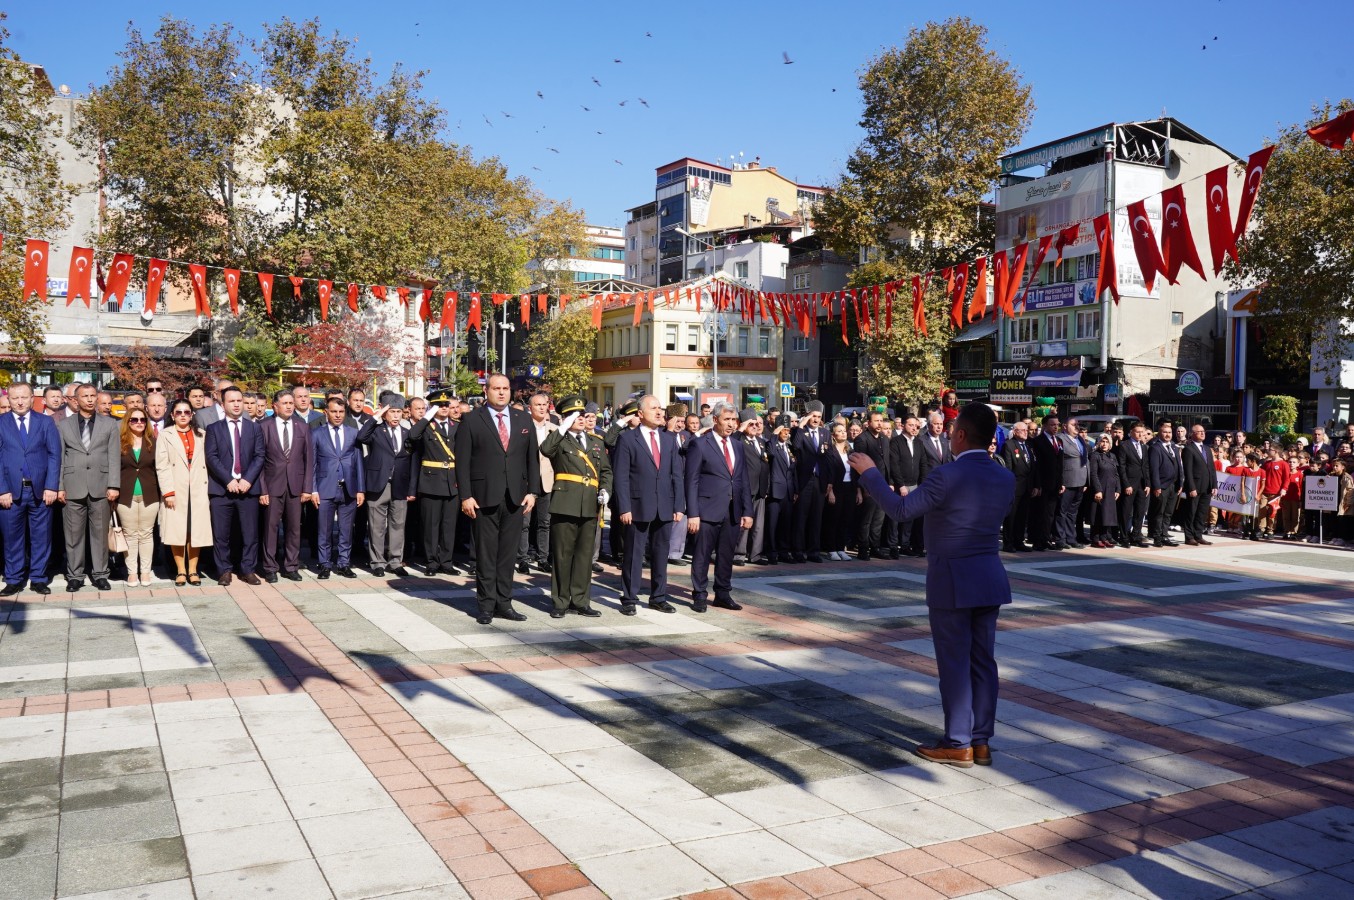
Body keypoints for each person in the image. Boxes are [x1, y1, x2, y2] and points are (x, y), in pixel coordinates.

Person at [850, 402, 1013, 767]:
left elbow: (901, 510)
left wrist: (871, 473)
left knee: (955, 663)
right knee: (983, 662)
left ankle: (957, 742)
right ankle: (980, 740)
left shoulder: (946, 475)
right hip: (989, 575)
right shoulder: (1004, 475)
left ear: (959, 435)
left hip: (953, 577)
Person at [455, 374, 540, 625]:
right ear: (487, 392)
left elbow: (531, 458)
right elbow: (462, 462)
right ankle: (486, 605)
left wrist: (532, 491)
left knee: (507, 554)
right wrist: (466, 496)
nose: (501, 393)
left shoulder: (523, 418)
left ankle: (505, 603)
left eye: (505, 389)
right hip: (483, 497)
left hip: (515, 497)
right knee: (486, 553)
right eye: (496, 388)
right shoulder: (471, 419)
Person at [539, 395, 612, 617]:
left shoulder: (595, 442)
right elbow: (545, 450)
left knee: (583, 555)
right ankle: (560, 601)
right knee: (562, 555)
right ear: (565, 417)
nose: (580, 419)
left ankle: (580, 600)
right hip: (565, 502)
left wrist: (605, 490)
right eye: (575, 415)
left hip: (590, 503)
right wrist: (563, 427)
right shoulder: (559, 439)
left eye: (582, 415)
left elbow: (606, 471)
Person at [613, 394, 684, 615]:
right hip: (637, 506)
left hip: (665, 505)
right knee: (634, 554)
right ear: (640, 414)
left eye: (660, 408)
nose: (659, 412)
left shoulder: (669, 439)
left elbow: (676, 475)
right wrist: (624, 507)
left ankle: (658, 597)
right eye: (654, 408)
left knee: (661, 553)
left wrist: (679, 506)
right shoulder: (627, 439)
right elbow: (621, 476)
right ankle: (629, 598)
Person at [684, 401, 753, 612]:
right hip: (707, 510)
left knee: (726, 555)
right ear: (715, 420)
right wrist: (693, 513)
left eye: (734, 420)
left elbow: (743, 480)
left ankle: (723, 593)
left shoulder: (738, 446)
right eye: (727, 420)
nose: (732, 424)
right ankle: (700, 594)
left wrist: (747, 511)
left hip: (732, 510)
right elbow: (691, 480)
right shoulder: (700, 444)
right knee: (703, 554)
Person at [56, 384, 121, 592]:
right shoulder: (64, 425)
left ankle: (101, 574)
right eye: (85, 396)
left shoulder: (109, 424)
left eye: (93, 395)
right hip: (72, 485)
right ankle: (75, 575)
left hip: (101, 486)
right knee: (73, 535)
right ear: (76, 399)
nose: (90, 400)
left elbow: (113, 457)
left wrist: (113, 485)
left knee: (100, 534)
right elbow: (60, 458)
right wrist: (59, 486)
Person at [0, 382, 62, 595]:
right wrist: (2, 489)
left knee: (41, 537)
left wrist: (52, 485)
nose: (19, 402)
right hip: (11, 492)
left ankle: (38, 578)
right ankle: (14, 579)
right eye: (15, 398)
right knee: (12, 538)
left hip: (40, 490)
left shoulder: (45, 423)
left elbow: (54, 455)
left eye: (24, 397)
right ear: (9, 399)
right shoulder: (1, 423)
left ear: (31, 398)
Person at [204, 386, 266, 585]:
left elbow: (259, 456)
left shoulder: (254, 428)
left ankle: (247, 569)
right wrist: (229, 480)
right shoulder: (214, 429)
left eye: (239, 400)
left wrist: (247, 479)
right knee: (221, 534)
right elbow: (211, 457)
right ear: (223, 405)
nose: (237, 404)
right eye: (232, 401)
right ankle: (224, 570)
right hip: (222, 489)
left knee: (250, 533)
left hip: (248, 489)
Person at [258, 388, 313, 583]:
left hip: (296, 487)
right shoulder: (264, 426)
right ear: (275, 406)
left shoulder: (302, 427)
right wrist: (262, 489)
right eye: (286, 403)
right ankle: (270, 567)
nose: (290, 406)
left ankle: (291, 566)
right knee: (270, 528)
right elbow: (259, 461)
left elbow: (308, 460)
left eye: (291, 403)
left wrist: (307, 488)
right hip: (272, 486)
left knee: (294, 529)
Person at [157, 399, 211, 585]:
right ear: (172, 415)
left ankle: (193, 569)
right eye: (178, 412)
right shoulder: (165, 435)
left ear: (192, 414)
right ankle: (181, 570)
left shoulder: (202, 434)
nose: (182, 415)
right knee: (177, 530)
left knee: (195, 530)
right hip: (176, 488)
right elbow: (161, 466)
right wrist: (168, 492)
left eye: (186, 412)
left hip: (198, 488)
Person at [357, 397, 413, 577]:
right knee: (376, 525)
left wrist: (411, 489)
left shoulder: (406, 432)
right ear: (385, 412)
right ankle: (377, 562)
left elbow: (412, 462)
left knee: (398, 524)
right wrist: (377, 416)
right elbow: (361, 436)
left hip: (400, 484)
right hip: (378, 483)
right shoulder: (376, 431)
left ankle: (395, 561)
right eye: (392, 411)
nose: (396, 415)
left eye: (398, 412)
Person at [409, 389, 462, 576]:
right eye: (440, 405)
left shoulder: (457, 426)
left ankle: (446, 562)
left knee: (449, 526)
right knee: (431, 526)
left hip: (452, 482)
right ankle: (431, 562)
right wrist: (427, 417)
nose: (445, 407)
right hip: (431, 482)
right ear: (433, 407)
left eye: (446, 404)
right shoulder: (426, 427)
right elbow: (412, 436)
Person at [311, 397, 364, 578]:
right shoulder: (317, 433)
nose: (338, 415)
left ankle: (343, 563)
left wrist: (361, 489)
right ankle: (324, 564)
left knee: (346, 530)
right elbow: (312, 464)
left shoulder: (353, 433)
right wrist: (313, 489)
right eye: (334, 411)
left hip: (349, 488)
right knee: (324, 530)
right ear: (326, 412)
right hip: (325, 488)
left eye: (341, 412)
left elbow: (359, 463)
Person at [117, 408, 161, 585]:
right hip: (125, 495)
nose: (139, 423)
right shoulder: (119, 443)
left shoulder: (154, 442)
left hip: (149, 494)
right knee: (129, 534)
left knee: (146, 534)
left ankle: (145, 572)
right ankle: (132, 572)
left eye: (142, 419)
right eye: (134, 420)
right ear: (127, 422)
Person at [518, 392, 556, 574]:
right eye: (537, 405)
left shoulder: (554, 429)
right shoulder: (522, 427)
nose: (542, 408)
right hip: (526, 482)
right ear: (530, 408)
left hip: (547, 480)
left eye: (544, 404)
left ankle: (543, 558)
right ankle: (522, 559)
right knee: (524, 522)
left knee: (544, 522)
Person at [789, 400, 829, 563]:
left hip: (819, 480)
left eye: (819, 417)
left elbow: (829, 456)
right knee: (801, 517)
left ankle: (814, 551)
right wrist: (800, 426)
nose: (816, 419)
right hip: (804, 480)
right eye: (813, 416)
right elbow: (796, 447)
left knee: (816, 517)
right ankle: (798, 550)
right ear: (807, 416)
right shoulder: (799, 431)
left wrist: (829, 481)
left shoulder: (825, 433)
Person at [853, 411, 890, 560]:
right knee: (866, 520)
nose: (879, 424)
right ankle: (863, 549)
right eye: (876, 421)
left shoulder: (884, 439)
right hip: (868, 485)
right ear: (868, 423)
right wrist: (861, 489)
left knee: (878, 520)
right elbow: (858, 465)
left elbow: (888, 462)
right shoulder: (862, 439)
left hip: (883, 485)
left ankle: (875, 547)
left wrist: (890, 483)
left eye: (881, 421)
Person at [734, 411, 770, 565]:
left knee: (758, 525)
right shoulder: (739, 439)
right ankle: (738, 554)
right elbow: (731, 440)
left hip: (760, 489)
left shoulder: (761, 442)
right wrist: (740, 428)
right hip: (746, 488)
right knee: (744, 522)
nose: (755, 427)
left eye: (757, 424)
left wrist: (766, 488)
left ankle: (755, 554)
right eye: (751, 424)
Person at [889, 415, 926, 557]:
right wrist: (901, 485)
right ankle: (893, 546)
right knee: (895, 518)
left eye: (916, 426)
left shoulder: (919, 443)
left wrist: (922, 484)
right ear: (904, 425)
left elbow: (923, 464)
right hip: (900, 485)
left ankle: (905, 545)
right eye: (911, 425)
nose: (914, 428)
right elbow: (894, 465)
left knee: (909, 518)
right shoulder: (896, 442)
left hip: (915, 485)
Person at [821, 422, 858, 562]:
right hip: (836, 488)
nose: (843, 433)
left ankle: (841, 548)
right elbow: (829, 473)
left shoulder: (850, 451)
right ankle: (831, 549)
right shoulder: (830, 451)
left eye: (844, 431)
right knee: (833, 519)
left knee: (846, 519)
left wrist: (858, 491)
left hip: (850, 488)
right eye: (840, 431)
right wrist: (830, 492)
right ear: (833, 435)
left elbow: (855, 473)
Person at [1028, 416, 1065, 551]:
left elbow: (1060, 464)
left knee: (1050, 513)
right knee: (1040, 513)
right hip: (1043, 483)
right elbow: (1036, 466)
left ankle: (1046, 538)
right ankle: (1038, 540)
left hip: (1055, 484)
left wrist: (1061, 482)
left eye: (1057, 424)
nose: (1055, 427)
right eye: (1052, 425)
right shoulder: (1038, 441)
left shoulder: (1059, 441)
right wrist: (1037, 485)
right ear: (1044, 426)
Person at [764, 422, 797, 564]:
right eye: (784, 430)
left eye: (788, 431)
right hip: (775, 491)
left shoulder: (789, 448)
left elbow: (793, 470)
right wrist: (774, 435)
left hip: (788, 491)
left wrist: (795, 489)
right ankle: (771, 552)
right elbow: (770, 453)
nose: (786, 433)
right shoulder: (773, 445)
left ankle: (784, 551)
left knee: (786, 524)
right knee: (772, 524)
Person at [1147, 419, 1184, 547]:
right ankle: (1157, 537)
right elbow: (1154, 469)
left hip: (1174, 486)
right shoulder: (1155, 448)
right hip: (1162, 486)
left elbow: (1179, 465)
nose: (1168, 434)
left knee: (1168, 513)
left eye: (1169, 432)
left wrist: (1180, 483)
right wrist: (1156, 486)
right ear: (1159, 433)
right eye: (1165, 432)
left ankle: (1164, 535)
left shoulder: (1174, 446)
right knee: (1159, 513)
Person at [1115, 422, 1152, 547]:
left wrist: (1147, 483)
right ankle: (1124, 536)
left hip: (1142, 484)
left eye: (1142, 432)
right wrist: (1126, 484)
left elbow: (1145, 466)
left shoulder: (1143, 446)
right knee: (1126, 511)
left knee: (1139, 512)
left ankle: (1136, 536)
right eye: (1137, 432)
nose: (1140, 434)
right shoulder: (1124, 445)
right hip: (1129, 484)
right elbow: (1122, 467)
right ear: (1131, 432)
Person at [1181, 423, 1218, 545]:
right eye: (1199, 431)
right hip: (1195, 487)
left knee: (1202, 513)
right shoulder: (1189, 449)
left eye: (1203, 431)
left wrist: (1214, 485)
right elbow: (1188, 470)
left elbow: (1211, 469)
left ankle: (1198, 535)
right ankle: (1189, 536)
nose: (1202, 433)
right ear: (1192, 434)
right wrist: (1191, 487)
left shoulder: (1207, 449)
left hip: (1206, 486)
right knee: (1191, 512)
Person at [1056, 418, 1090, 548]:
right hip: (1068, 480)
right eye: (1073, 424)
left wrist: (1086, 480)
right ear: (1065, 426)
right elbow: (1058, 461)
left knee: (1073, 512)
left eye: (1077, 425)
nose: (1077, 427)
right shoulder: (1061, 439)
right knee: (1062, 511)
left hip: (1080, 481)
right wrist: (1060, 481)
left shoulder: (1080, 439)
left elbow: (1084, 458)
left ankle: (1071, 538)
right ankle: (1060, 539)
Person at [1000, 421, 1033, 553]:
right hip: (1014, 487)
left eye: (1026, 430)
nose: (1026, 432)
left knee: (1022, 516)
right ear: (1015, 432)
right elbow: (1008, 468)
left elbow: (1032, 467)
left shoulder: (1028, 446)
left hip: (1026, 487)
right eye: (1023, 430)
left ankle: (1019, 541)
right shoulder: (1009, 445)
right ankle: (1008, 543)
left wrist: (1034, 485)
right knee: (1011, 517)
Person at [1088, 433, 1121, 548]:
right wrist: (1097, 490)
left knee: (1107, 515)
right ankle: (1095, 539)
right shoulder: (1095, 456)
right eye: (1102, 441)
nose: (1104, 444)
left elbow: (1116, 474)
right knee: (1098, 514)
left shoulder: (1112, 456)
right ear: (1098, 443)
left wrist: (1118, 489)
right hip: (1100, 489)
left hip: (1111, 489)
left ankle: (1104, 537)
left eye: (1107, 442)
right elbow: (1093, 474)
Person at [1257, 445, 1291, 540]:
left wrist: (1284, 489)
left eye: (1270, 450)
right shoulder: (1267, 463)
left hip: (1275, 492)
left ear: (1275, 451)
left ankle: (1270, 530)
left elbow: (1286, 478)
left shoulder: (1284, 464)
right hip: (1265, 491)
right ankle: (1261, 528)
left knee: (1273, 512)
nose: (1268, 451)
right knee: (1262, 509)